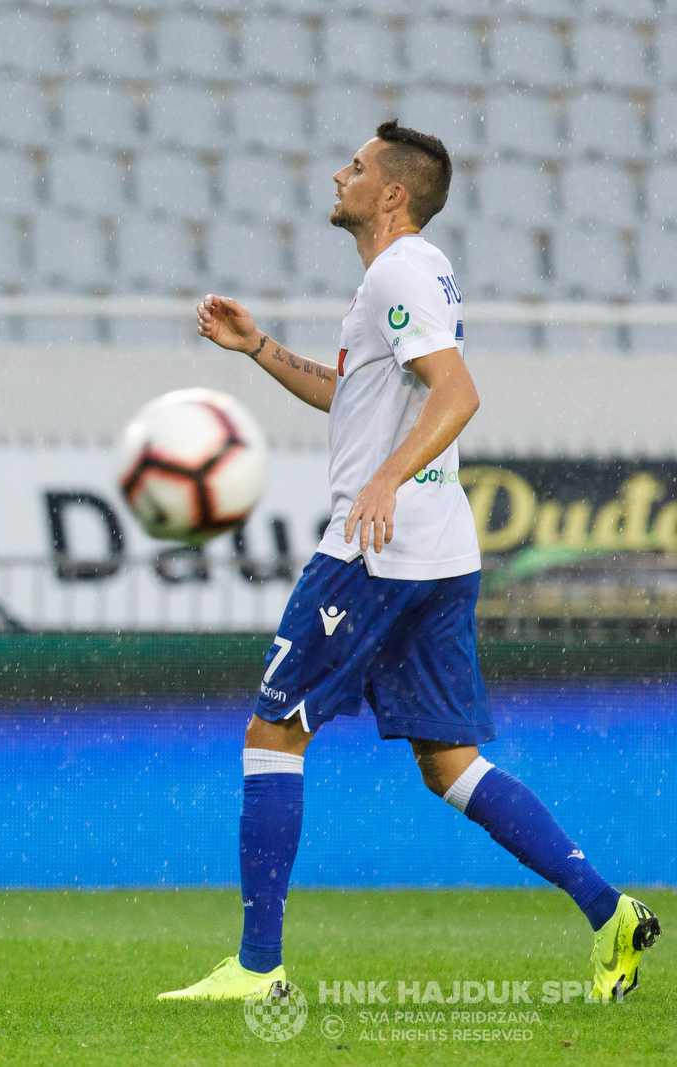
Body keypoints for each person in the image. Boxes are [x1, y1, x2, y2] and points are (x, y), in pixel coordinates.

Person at [161, 121, 660, 1002]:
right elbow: (355, 395)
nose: (340, 174)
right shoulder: (411, 273)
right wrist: (261, 347)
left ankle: (257, 967)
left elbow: (457, 391)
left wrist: (383, 481)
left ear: (392, 193)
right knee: (448, 760)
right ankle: (608, 908)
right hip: (441, 547)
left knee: (274, 730)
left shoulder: (397, 270)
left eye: (356, 167)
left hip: (376, 549)